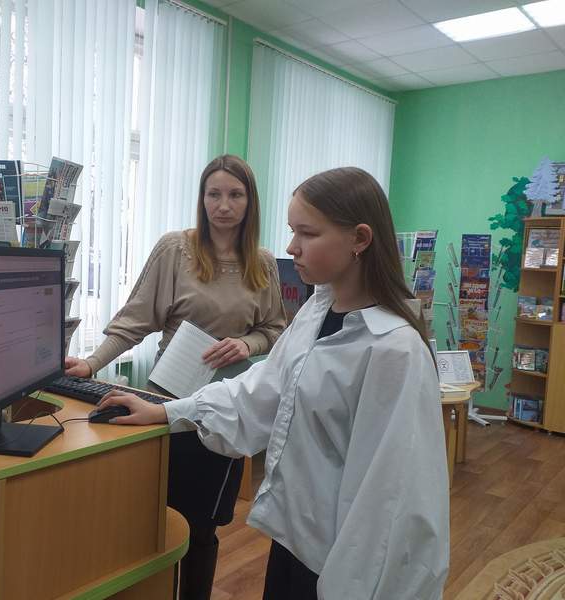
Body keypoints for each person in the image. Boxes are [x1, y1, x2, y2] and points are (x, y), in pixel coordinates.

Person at [95, 167, 450, 599]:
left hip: (344, 567)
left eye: (307, 233)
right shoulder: (316, 313)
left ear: (359, 239)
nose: (291, 247)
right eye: (291, 230)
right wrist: (166, 411)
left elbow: (393, 501)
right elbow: (261, 391)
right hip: (294, 542)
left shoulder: (395, 350)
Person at [65, 154, 287, 599]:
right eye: (214, 194)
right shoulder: (175, 250)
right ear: (202, 199)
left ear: (250, 202)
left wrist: (247, 344)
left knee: (202, 526)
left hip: (225, 409)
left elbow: (276, 329)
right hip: (166, 402)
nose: (223, 205)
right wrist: (91, 363)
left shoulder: (262, 263)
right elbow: (135, 320)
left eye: (235, 195)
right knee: (155, 517)